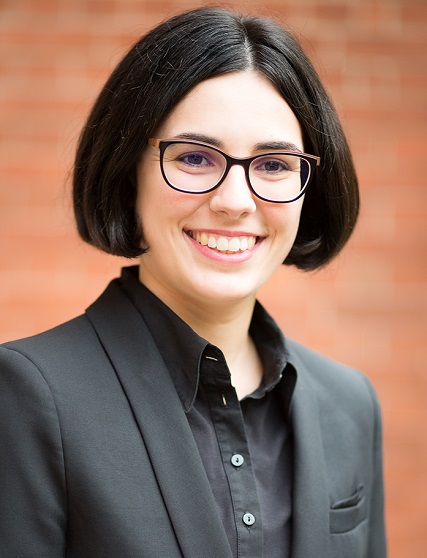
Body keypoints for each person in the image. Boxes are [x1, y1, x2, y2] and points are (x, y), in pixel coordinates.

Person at [0, 6, 386, 558]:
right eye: (196, 157)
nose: (235, 202)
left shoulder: (350, 404)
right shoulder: (28, 397)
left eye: (274, 165)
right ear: (126, 169)